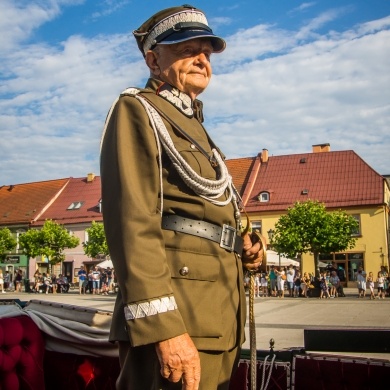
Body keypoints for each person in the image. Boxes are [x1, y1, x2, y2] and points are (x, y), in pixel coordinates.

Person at [100, 5, 264, 390]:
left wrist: (244, 245)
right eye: (186, 49)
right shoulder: (137, 110)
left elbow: (206, 215)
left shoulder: (195, 127)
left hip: (216, 315)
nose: (201, 59)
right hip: (179, 318)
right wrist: (164, 329)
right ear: (154, 59)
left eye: (206, 51)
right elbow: (133, 224)